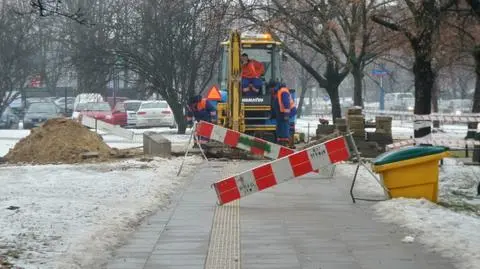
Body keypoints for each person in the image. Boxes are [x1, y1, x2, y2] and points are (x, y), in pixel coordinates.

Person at [267, 81, 296, 147]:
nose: (269, 91)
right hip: (282, 114)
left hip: (287, 112)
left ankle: (285, 143)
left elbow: (286, 104)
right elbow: (276, 106)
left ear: (273, 88)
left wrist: (286, 115)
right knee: (279, 128)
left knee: (284, 127)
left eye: (269, 89)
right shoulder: (276, 93)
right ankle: (280, 142)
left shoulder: (283, 91)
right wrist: (272, 115)